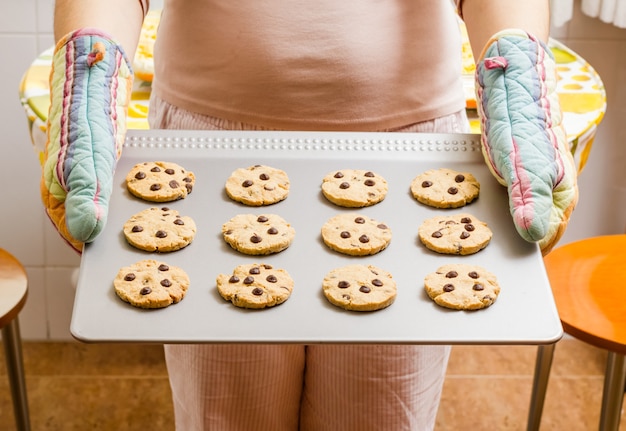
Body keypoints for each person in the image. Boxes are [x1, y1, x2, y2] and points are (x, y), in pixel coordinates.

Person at [41, 1, 577, 429]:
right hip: (207, 149)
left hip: (408, 153)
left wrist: (518, 82)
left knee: (383, 415)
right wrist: (88, 72)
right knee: (224, 415)